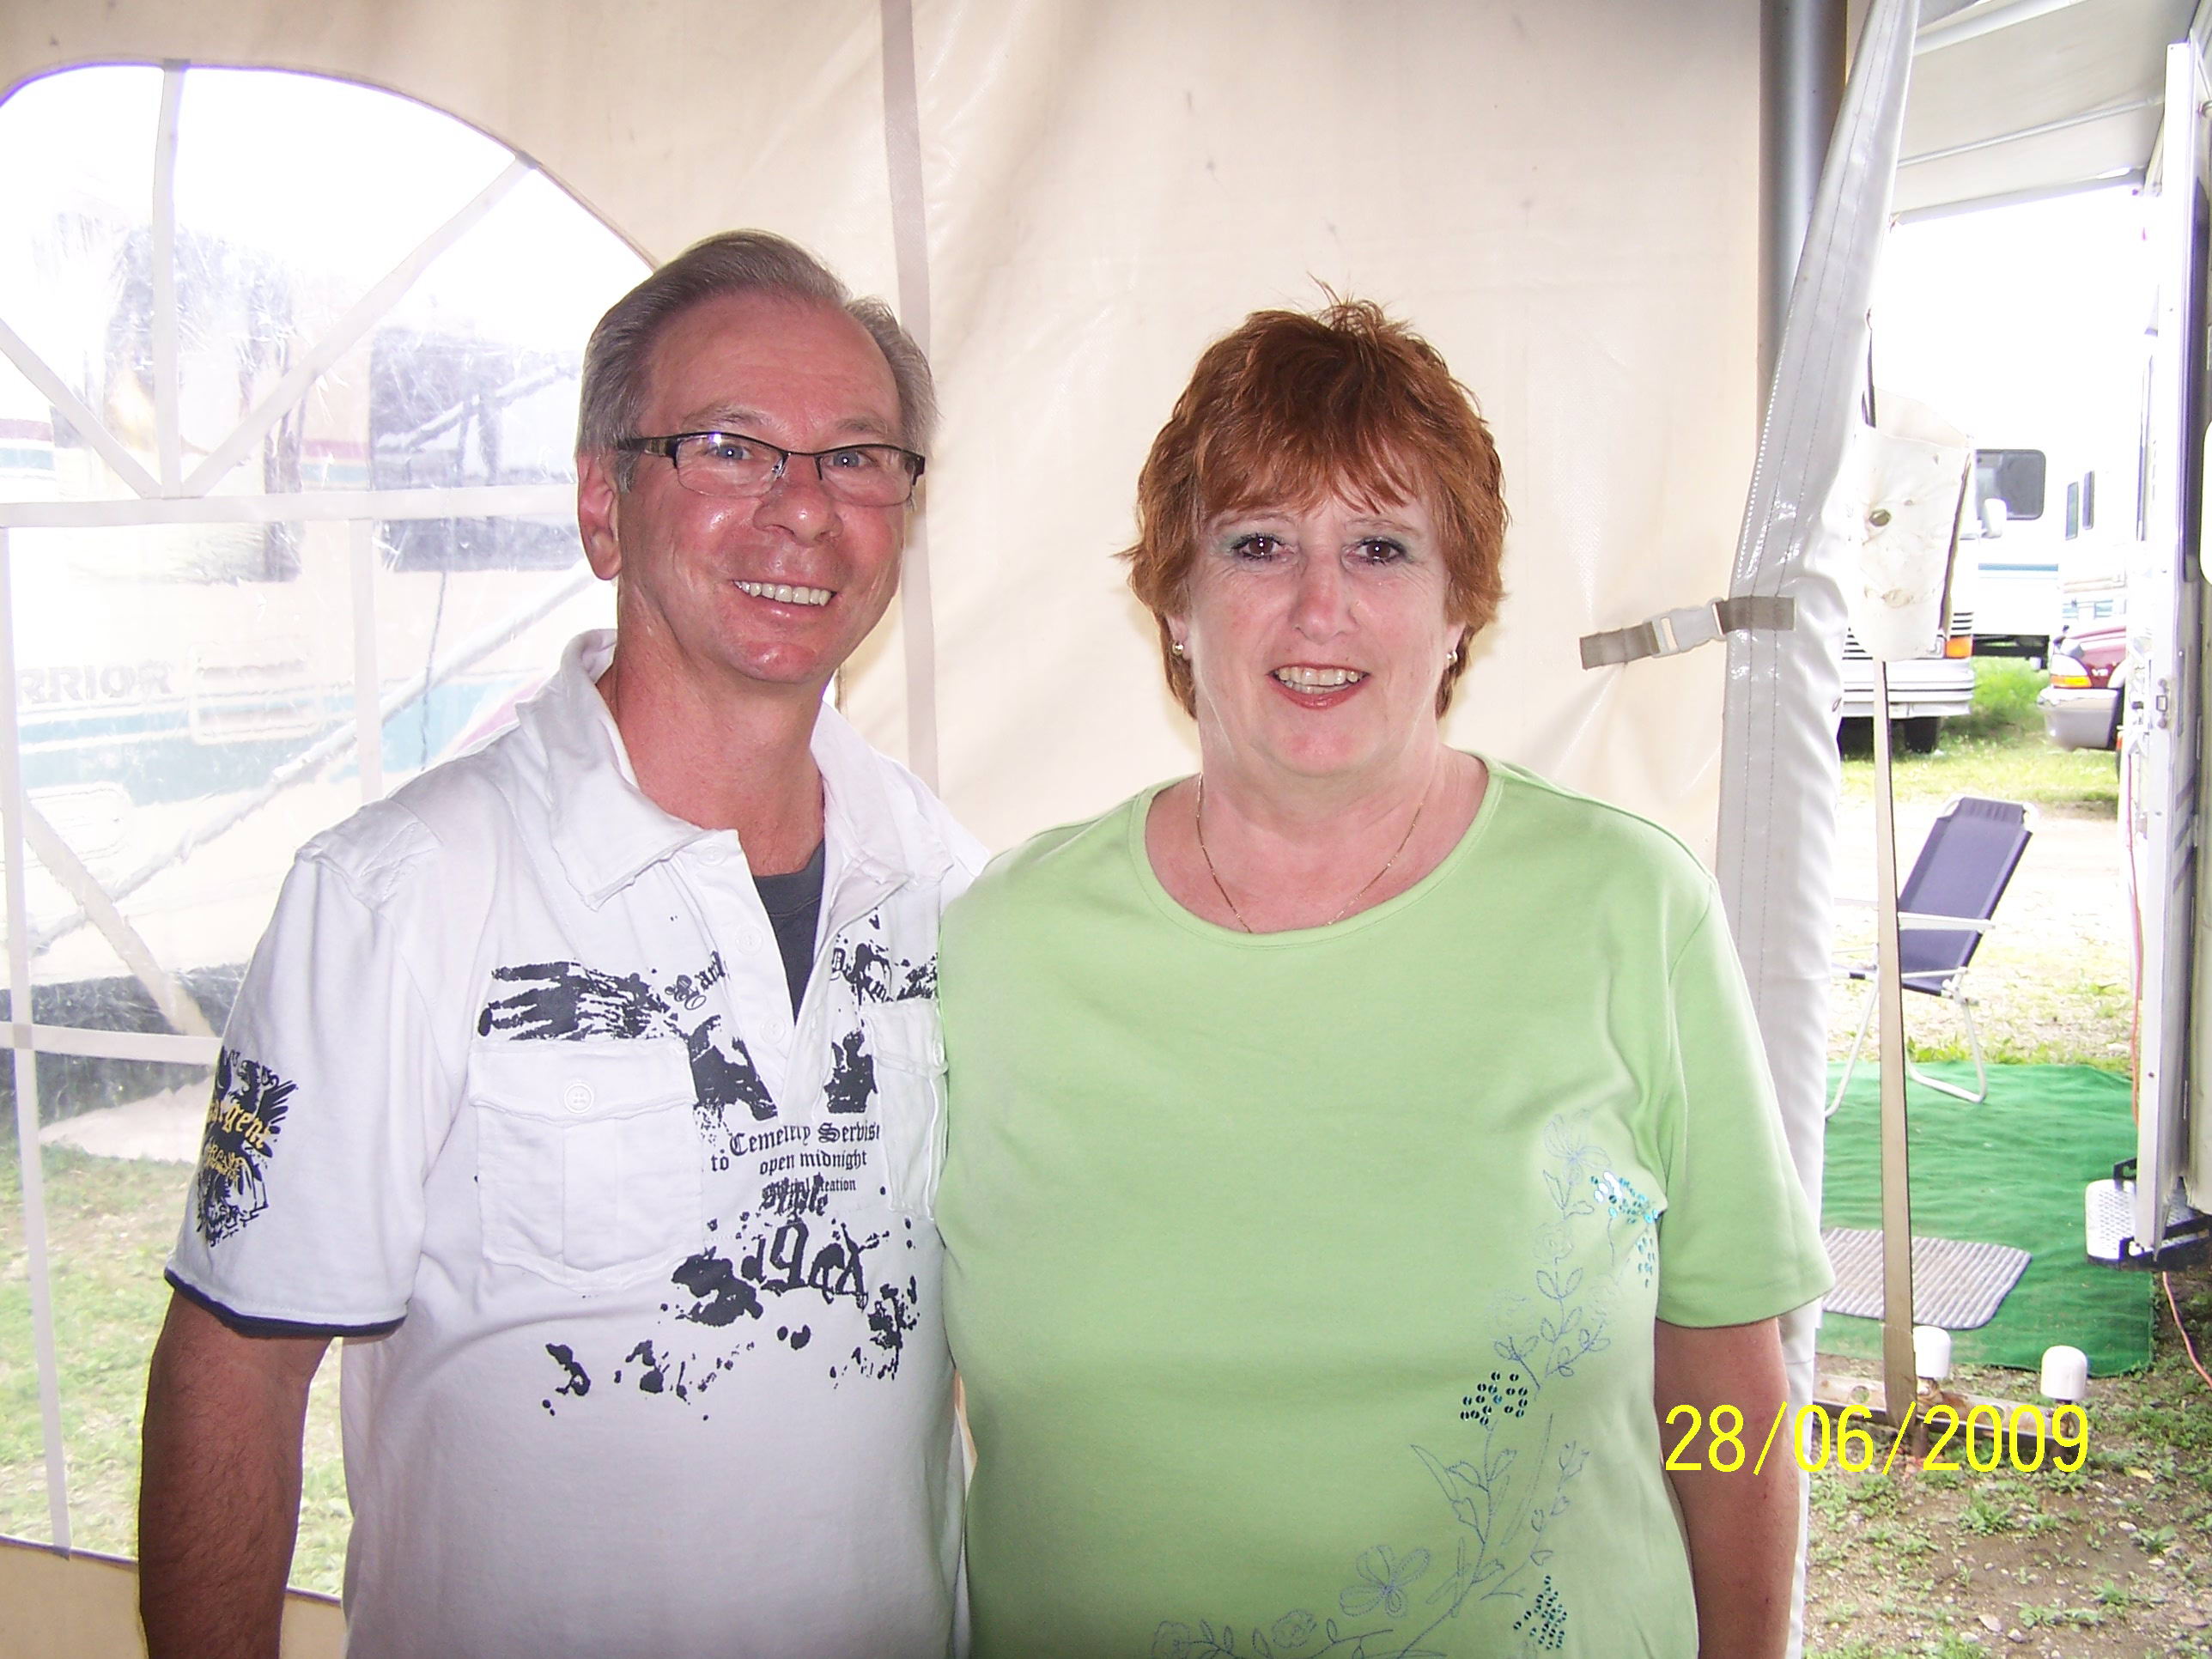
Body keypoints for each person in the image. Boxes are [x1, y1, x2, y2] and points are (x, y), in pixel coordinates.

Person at [936, 300, 1832, 1659]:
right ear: (1173, 599)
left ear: (1462, 605)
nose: (1321, 605)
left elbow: (1729, 1388)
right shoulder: (1000, 945)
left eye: (1381, 546)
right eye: (1256, 543)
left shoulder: (1626, 908)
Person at [139, 231, 981, 1658]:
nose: (802, 509)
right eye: (729, 448)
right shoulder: (401, 896)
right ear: (604, 505)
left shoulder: (947, 878)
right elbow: (237, 1368)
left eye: (855, 458)